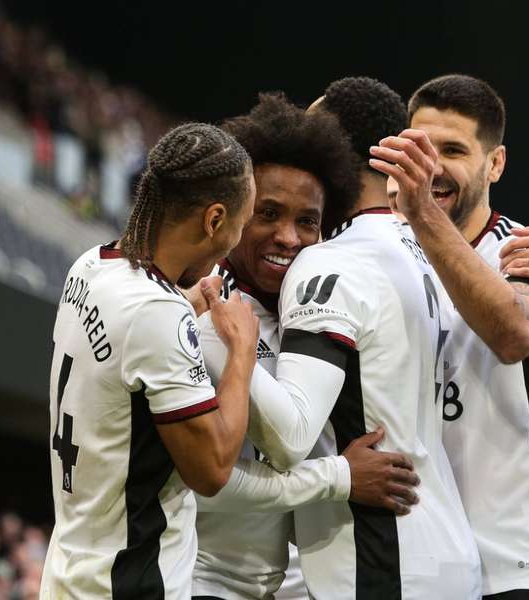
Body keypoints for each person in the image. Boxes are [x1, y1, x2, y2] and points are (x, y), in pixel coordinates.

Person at [243, 76, 482, 598]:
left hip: (379, 560)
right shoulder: (431, 253)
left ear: (328, 146)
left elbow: (289, 439)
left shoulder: (329, 262)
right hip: (450, 551)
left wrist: (234, 348)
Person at [190, 93, 419, 600]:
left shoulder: (314, 317)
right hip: (196, 581)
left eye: (308, 222)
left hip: (285, 585)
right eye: (268, 214)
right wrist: (339, 476)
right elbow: (202, 483)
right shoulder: (200, 317)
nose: (288, 237)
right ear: (232, 214)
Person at [369, 74, 529, 600]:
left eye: (454, 150)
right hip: (415, 566)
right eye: (423, 147)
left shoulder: (526, 254)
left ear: (496, 164)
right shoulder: (372, 255)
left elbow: (513, 335)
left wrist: (419, 213)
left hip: (515, 567)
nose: (434, 166)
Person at [42, 123, 259, 599]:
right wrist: (242, 353)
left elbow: (132, 336)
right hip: (129, 583)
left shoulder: (91, 264)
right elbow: (213, 469)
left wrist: (184, 306)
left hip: (68, 571)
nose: (238, 239)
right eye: (243, 222)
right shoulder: (157, 315)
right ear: (214, 219)